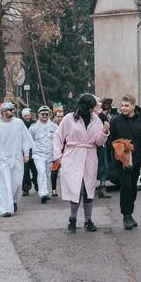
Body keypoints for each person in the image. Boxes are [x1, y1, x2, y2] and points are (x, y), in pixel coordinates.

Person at [53, 94, 110, 234]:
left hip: (89, 155)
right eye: (91, 108)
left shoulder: (96, 120)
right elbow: (58, 136)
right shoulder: (69, 119)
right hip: (73, 156)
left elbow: (99, 141)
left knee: (89, 189)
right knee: (76, 189)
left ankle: (88, 220)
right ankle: (72, 219)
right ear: (84, 107)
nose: (93, 111)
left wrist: (104, 132)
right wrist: (57, 156)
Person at [109, 94, 141, 230]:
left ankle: (130, 213)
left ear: (133, 106)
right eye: (122, 105)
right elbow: (109, 140)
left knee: (133, 187)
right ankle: (126, 216)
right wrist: (118, 147)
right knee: (126, 185)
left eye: (126, 106)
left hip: (136, 160)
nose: (123, 108)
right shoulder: (115, 121)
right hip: (121, 161)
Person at [0, 102, 34, 217]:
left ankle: (13, 201)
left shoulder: (19, 123)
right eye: (9, 110)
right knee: (4, 184)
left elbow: (25, 139)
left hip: (17, 157)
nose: (12, 111)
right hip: (3, 160)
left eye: (12, 109)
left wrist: (26, 153)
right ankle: (5, 209)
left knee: (17, 183)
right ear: (3, 112)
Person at [29, 106, 58, 203]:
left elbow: (57, 141)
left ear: (49, 115)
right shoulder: (33, 127)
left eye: (46, 114)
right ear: (39, 115)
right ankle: (43, 193)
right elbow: (31, 140)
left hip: (50, 154)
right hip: (38, 154)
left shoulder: (54, 127)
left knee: (47, 174)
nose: (44, 116)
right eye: (42, 114)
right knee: (41, 172)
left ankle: (46, 191)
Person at [95, 96, 112, 199]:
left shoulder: (104, 116)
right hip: (98, 145)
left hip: (103, 145)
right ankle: (99, 188)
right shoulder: (97, 117)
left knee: (104, 167)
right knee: (101, 167)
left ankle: (102, 187)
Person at [21, 108, 39, 196]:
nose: (27, 117)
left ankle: (37, 183)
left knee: (35, 169)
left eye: (28, 115)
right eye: (25, 116)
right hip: (24, 150)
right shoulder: (20, 125)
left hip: (33, 149)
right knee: (25, 170)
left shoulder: (34, 124)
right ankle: (26, 187)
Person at [51, 104, 65, 196]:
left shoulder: (66, 125)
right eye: (58, 116)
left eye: (61, 117)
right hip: (55, 151)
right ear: (55, 117)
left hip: (65, 151)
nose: (60, 118)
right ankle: (54, 189)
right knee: (54, 170)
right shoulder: (51, 126)